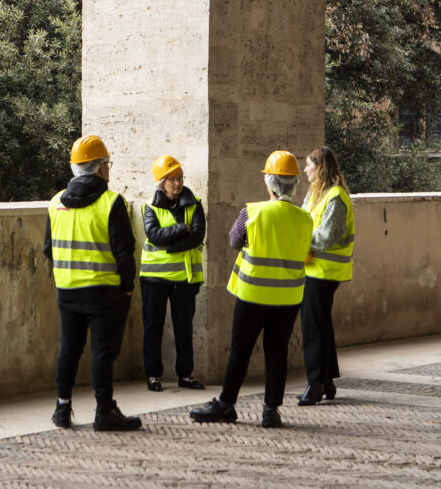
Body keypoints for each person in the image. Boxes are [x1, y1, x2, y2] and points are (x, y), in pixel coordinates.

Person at [190, 150, 313, 428]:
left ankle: (226, 404)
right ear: (294, 184)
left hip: (253, 294)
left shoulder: (252, 211)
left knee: (240, 349)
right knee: (277, 352)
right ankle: (271, 410)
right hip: (289, 296)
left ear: (269, 184)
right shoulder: (304, 218)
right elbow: (305, 250)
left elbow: (235, 240)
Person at [42, 134, 142, 431]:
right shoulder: (112, 202)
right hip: (104, 292)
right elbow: (125, 251)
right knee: (102, 352)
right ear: (100, 168)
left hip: (67, 290)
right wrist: (127, 285)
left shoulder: (56, 202)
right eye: (107, 163)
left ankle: (62, 408)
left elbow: (48, 248)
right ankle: (104, 411)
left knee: (68, 349)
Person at [140, 154, 206, 392]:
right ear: (161, 182)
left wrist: (169, 246)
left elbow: (197, 236)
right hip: (154, 279)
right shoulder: (150, 206)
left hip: (185, 279)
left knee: (183, 328)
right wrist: (182, 229)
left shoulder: (195, 203)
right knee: (153, 327)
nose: (177, 183)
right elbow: (153, 235)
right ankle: (153, 376)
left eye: (179, 178)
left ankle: (185, 375)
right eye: (171, 179)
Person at [297, 145, 355, 406]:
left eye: (309, 164)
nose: (305, 168)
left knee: (312, 328)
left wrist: (297, 240)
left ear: (320, 167)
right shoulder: (314, 195)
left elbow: (325, 237)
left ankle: (315, 384)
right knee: (322, 325)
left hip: (324, 272)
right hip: (314, 269)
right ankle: (327, 381)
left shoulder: (334, 197)